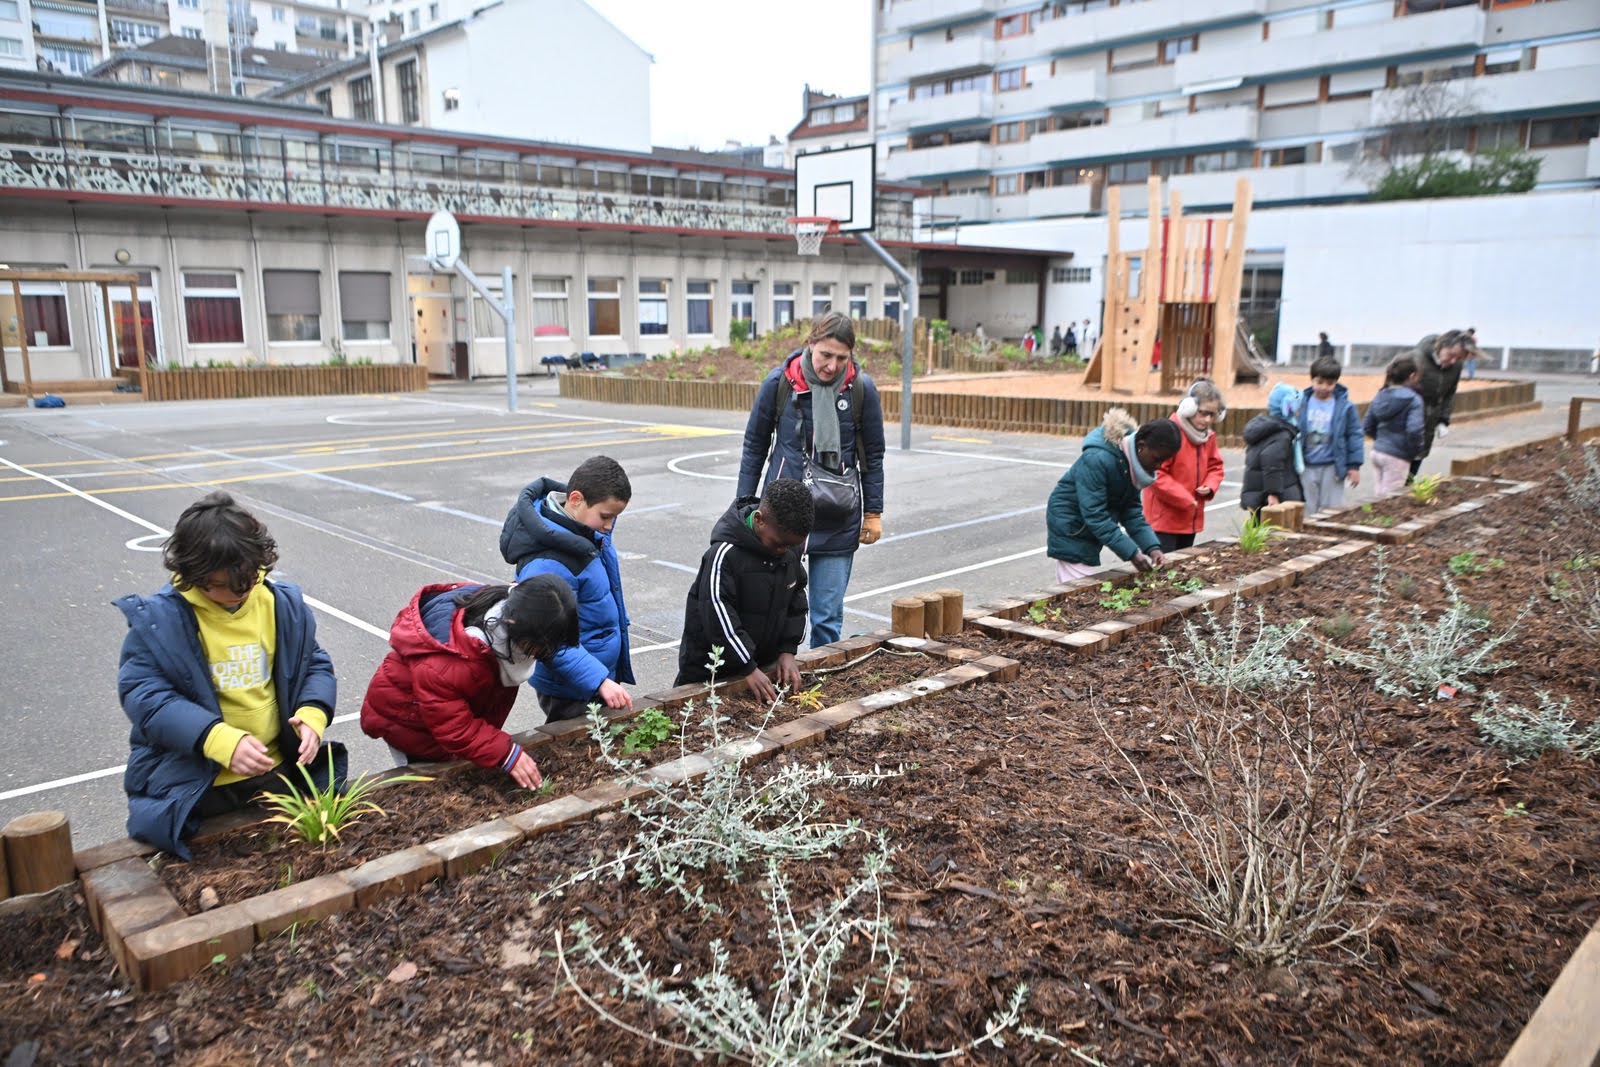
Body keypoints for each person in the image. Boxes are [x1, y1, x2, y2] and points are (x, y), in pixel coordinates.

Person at [114, 491, 343, 860]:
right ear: (189, 573)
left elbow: (313, 662)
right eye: (216, 586)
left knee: (286, 859)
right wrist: (216, 740)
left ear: (259, 564)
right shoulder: (162, 620)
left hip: (274, 772)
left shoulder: (279, 605)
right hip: (198, 783)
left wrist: (313, 714)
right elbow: (146, 697)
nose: (233, 596)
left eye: (245, 581)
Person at [738, 311, 886, 648]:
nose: (832, 365)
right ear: (810, 344)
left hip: (837, 514)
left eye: (841, 357)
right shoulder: (779, 383)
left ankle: (822, 681)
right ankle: (773, 675)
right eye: (825, 355)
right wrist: (744, 504)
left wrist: (873, 512)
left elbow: (872, 456)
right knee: (771, 608)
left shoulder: (861, 389)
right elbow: (754, 447)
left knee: (826, 617)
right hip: (781, 514)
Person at [360, 576, 578, 785]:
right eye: (540, 647)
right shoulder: (451, 662)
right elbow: (454, 727)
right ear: (515, 624)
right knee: (427, 786)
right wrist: (505, 753)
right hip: (409, 724)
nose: (542, 654)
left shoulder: (510, 614)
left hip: (440, 715)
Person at [499, 455, 636, 722]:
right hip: (570, 688)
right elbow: (544, 638)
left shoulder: (586, 529)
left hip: (596, 674)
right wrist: (597, 680)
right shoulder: (548, 564)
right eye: (605, 516)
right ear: (574, 499)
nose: (609, 526)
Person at [676, 479, 813, 702]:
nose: (784, 551)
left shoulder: (787, 547)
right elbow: (718, 615)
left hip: (760, 667)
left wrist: (788, 649)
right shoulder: (723, 555)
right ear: (758, 520)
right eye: (779, 544)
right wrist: (747, 666)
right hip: (709, 673)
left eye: (791, 546)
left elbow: (797, 600)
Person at [1047, 409, 1178, 581]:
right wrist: (1132, 554)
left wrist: (1152, 547)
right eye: (1156, 459)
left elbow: (1132, 513)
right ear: (1141, 447)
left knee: (1075, 589)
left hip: (1087, 524)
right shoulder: (1098, 459)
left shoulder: (1131, 464)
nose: (1160, 466)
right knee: (1078, 589)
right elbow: (1096, 516)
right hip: (1071, 525)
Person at [1144, 379, 1227, 553]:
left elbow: (1215, 467)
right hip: (1163, 521)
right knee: (1162, 572)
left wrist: (1210, 485)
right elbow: (1156, 474)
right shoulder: (1168, 433)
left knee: (1181, 569)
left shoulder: (1208, 437)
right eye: (1203, 413)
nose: (1207, 419)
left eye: (1212, 415)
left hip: (1190, 520)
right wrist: (1185, 499)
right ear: (1189, 407)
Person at [1296, 356, 1363, 516]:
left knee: (1332, 510)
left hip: (1333, 464)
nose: (1324, 387)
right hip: (1305, 464)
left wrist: (1354, 466)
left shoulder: (1345, 406)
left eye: (1330, 383)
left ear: (1336, 383)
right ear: (1312, 380)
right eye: (1319, 382)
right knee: (1306, 508)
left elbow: (1354, 435)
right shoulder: (1301, 402)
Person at [1406, 329, 1470, 481]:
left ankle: (1406, 488)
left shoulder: (1455, 367)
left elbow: (1449, 393)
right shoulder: (1417, 358)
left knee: (1417, 460)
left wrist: (1443, 420)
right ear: (1441, 346)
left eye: (1459, 358)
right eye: (1451, 355)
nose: (1454, 361)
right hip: (1407, 421)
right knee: (1397, 468)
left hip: (1429, 420)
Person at [1364, 355, 1425, 499]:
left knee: (1378, 494)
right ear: (1412, 376)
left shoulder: (1381, 395)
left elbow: (1367, 425)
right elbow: (1414, 430)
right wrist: (1414, 450)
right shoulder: (1413, 400)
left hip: (1378, 451)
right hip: (1398, 455)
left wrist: (1381, 441)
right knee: (1390, 499)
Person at [1240, 382, 1306, 514]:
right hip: (1274, 496)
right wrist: (1273, 494)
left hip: (1260, 493)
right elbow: (1271, 462)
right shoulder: (1282, 435)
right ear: (1288, 408)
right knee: (1275, 532)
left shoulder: (1269, 428)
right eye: (1298, 407)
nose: (1300, 410)